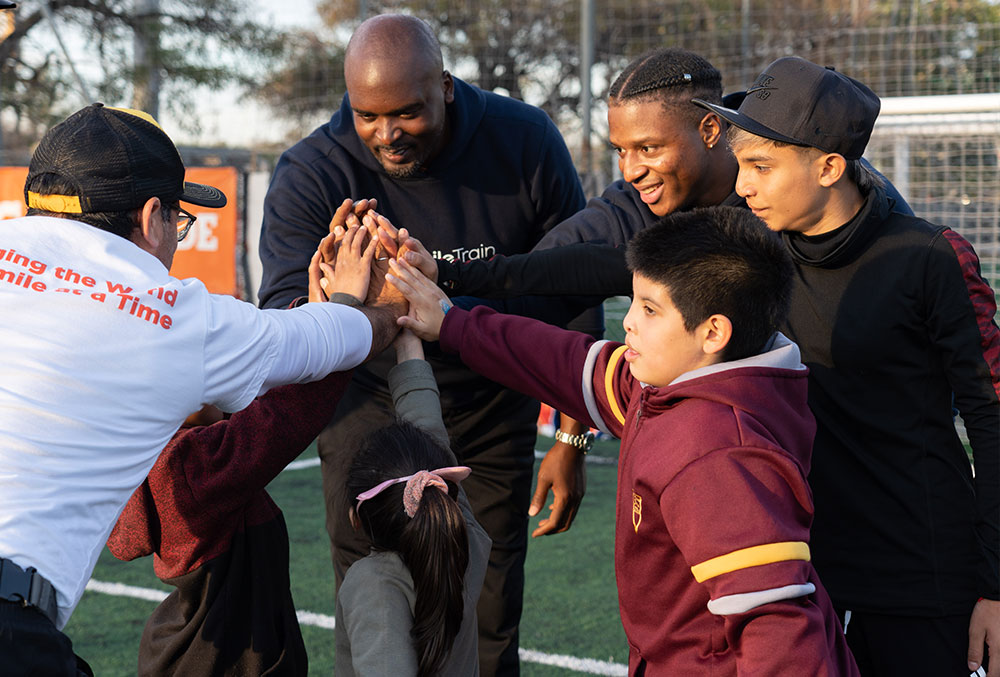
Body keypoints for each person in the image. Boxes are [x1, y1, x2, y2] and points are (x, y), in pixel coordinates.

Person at [0, 104, 403, 675]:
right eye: (179, 223)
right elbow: (323, 346)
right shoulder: (165, 313)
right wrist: (382, 306)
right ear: (151, 215)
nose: (175, 244)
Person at [386, 205, 860, 675]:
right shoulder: (683, 385)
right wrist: (451, 322)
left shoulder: (716, 453)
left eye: (650, 309)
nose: (629, 321)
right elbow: (569, 364)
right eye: (633, 301)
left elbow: (778, 628)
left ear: (713, 331)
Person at [256, 13, 586, 673]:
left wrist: (572, 438)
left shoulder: (524, 141)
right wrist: (329, 301)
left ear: (446, 87)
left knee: (488, 607)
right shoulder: (314, 169)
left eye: (406, 113)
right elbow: (281, 314)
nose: (386, 133)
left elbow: (575, 288)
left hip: (491, 406)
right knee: (370, 597)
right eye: (367, 116)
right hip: (366, 409)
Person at [693, 56, 1000, 676]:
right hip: (802, 574)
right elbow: (611, 263)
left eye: (760, 166)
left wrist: (996, 587)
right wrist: (463, 284)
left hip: (922, 579)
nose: (742, 183)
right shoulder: (754, 249)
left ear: (829, 166)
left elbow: (993, 424)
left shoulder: (931, 258)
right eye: (741, 165)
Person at [106, 227, 380, 675]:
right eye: (215, 362)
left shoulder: (161, 453)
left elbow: (264, 397)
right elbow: (285, 415)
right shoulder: (190, 471)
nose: (230, 369)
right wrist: (345, 313)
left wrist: (315, 318)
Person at [336, 330, 491, 676]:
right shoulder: (465, 543)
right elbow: (428, 428)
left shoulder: (374, 584)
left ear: (356, 518)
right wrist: (407, 339)